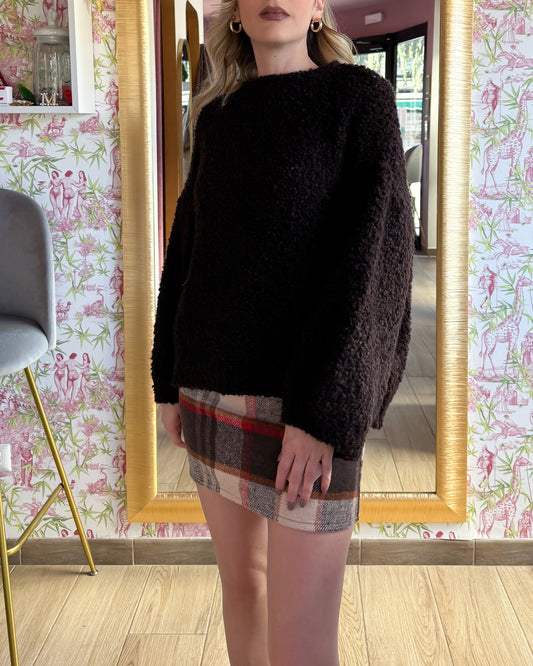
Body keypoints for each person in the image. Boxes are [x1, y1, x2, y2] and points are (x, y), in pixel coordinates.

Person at [151, 0, 414, 664]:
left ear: (319, 9)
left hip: (311, 403)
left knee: (302, 643)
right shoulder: (217, 117)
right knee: (243, 588)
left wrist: (323, 413)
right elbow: (188, 250)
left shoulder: (358, 100)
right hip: (211, 387)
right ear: (237, 14)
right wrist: (167, 380)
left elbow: (375, 263)